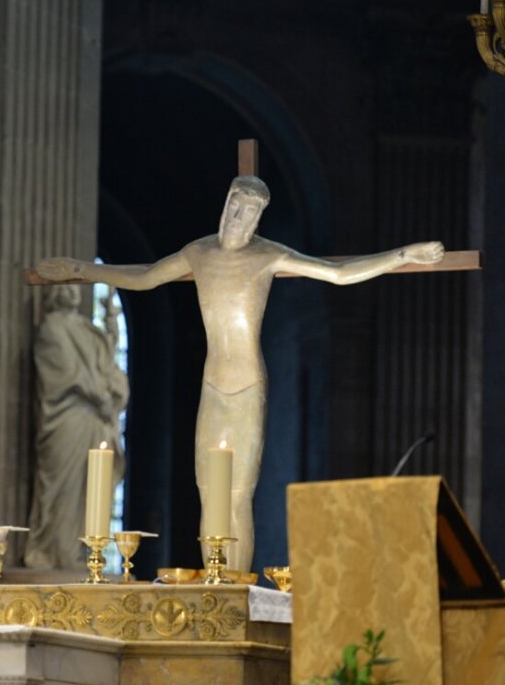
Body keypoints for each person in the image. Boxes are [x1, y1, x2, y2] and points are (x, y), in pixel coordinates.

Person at [35, 174, 445, 572]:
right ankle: (213, 581)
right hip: (212, 386)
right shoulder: (199, 252)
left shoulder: (268, 255)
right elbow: (144, 278)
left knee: (236, 497)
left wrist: (403, 255)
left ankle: (234, 589)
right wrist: (81, 269)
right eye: (236, 207)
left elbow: (336, 274)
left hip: (248, 386)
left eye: (251, 213)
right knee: (208, 493)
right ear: (225, 205)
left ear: (259, 220)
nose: (240, 219)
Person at [24, 284, 128, 570]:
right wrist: (100, 396)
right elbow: (66, 374)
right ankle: (56, 552)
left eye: (73, 286)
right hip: (67, 419)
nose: (71, 291)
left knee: (88, 488)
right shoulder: (52, 328)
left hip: (92, 420)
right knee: (60, 488)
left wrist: (111, 329)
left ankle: (83, 553)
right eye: (64, 286)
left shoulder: (84, 327)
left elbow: (105, 362)